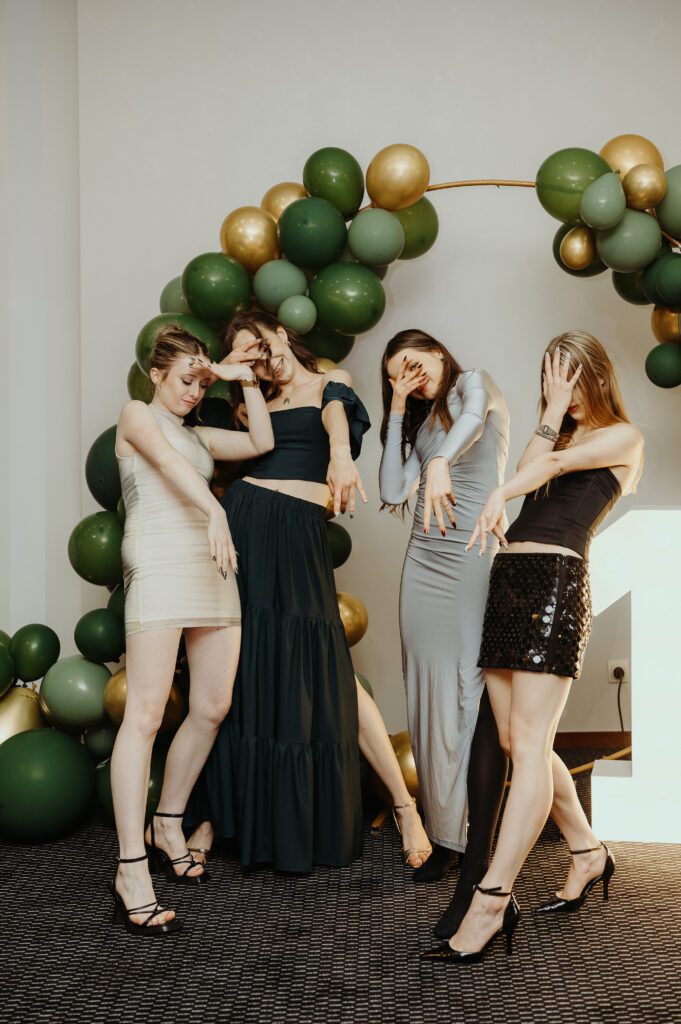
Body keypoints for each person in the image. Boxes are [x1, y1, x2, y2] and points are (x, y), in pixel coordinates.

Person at [422, 331, 644, 964]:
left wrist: (502, 492)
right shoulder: (557, 433)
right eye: (549, 374)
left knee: (529, 746)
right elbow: (530, 464)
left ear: (595, 375)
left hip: (554, 585)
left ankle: (493, 900)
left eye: (568, 374)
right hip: (510, 582)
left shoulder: (624, 437)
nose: (558, 387)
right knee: (518, 742)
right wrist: (547, 418)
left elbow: (541, 473)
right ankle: (587, 852)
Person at [186, 309, 431, 873]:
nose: (260, 359)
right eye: (246, 356)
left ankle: (403, 805)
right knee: (237, 671)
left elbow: (336, 416)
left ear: (281, 333)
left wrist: (341, 456)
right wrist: (232, 372)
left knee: (333, 675)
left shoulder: (330, 381)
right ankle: (212, 814)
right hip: (247, 525)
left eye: (260, 344)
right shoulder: (252, 407)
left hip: (298, 537)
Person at [110, 325, 273, 936]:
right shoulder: (136, 415)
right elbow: (167, 465)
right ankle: (131, 867)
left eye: (200, 383)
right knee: (146, 715)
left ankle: (169, 820)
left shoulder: (200, 434)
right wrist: (215, 510)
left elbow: (261, 440)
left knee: (211, 705)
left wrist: (240, 377)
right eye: (185, 380)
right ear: (156, 375)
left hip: (211, 566)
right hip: (159, 561)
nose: (192, 393)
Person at [378, 329, 510, 935]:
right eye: (394, 376)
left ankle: (474, 850)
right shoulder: (422, 419)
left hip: (470, 556)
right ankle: (445, 836)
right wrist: (397, 410)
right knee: (426, 697)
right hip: (423, 564)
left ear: (436, 352)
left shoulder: (473, 384)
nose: (407, 378)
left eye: (411, 365)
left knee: (466, 693)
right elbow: (390, 489)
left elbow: (475, 423)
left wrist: (436, 461)